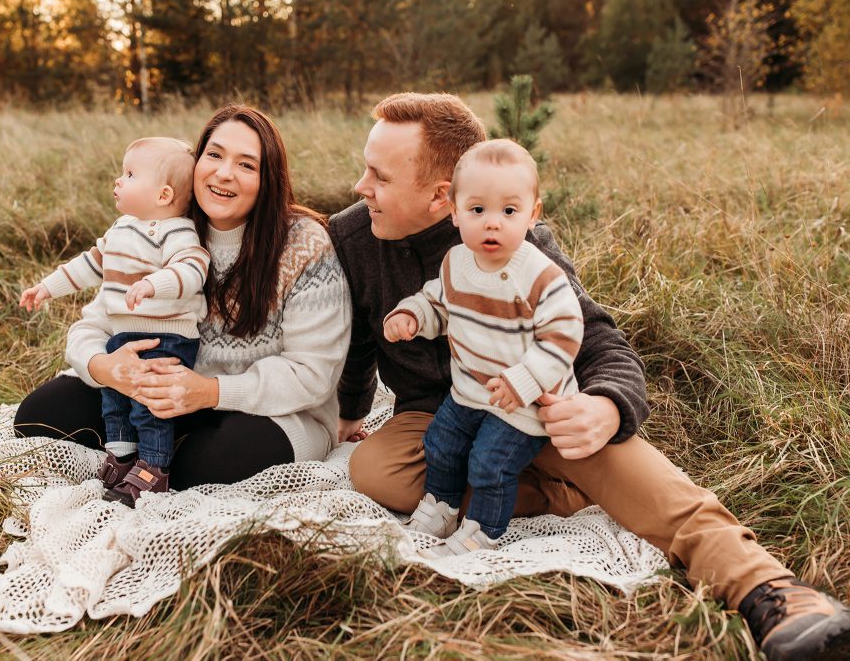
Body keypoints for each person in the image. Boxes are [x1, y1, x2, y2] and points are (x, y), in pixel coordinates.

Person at [328, 92, 850, 660]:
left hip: (536, 409)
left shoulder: (521, 244)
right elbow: (358, 336)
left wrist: (605, 407)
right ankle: (557, 492)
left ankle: (769, 590)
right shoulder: (354, 237)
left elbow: (600, 340)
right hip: (444, 410)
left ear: (440, 198)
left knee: (631, 471)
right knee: (375, 470)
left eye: (377, 175)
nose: (361, 187)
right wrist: (353, 410)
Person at [14, 104, 351, 494]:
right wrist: (105, 367)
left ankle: (155, 456)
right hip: (158, 395)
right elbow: (94, 323)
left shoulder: (303, 243)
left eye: (246, 165)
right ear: (196, 161)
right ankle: (147, 450)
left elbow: (313, 374)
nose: (224, 173)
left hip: (262, 410)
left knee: (206, 465)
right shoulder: (159, 225)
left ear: (268, 179)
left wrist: (208, 392)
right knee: (40, 415)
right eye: (214, 155)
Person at [383, 138, 583, 555]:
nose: (493, 223)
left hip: (522, 404)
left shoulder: (538, 275)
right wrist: (412, 317)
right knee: (440, 443)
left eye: (509, 211)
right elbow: (439, 302)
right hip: (470, 390)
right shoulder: (456, 263)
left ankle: (482, 533)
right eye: (478, 210)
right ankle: (441, 507)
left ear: (533, 214)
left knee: (489, 463)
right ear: (455, 212)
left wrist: (523, 382)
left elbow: (563, 334)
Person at [18, 137, 209, 506]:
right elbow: (89, 264)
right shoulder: (121, 228)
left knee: (149, 404)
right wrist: (47, 287)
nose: (118, 181)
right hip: (123, 336)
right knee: (115, 400)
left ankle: (154, 468)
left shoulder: (177, 231)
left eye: (130, 174)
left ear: (164, 194)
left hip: (165, 338)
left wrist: (155, 283)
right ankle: (122, 459)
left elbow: (192, 268)